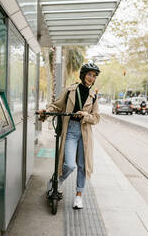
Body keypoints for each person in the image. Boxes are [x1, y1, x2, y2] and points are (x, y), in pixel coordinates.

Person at [38, 63, 101, 209]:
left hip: (85, 133)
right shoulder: (70, 90)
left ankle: (79, 196)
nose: (91, 78)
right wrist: (45, 111)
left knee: (82, 166)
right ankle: (57, 180)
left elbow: (96, 118)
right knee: (69, 165)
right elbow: (57, 106)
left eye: (94, 75)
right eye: (89, 74)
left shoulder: (94, 96)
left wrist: (86, 115)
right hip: (70, 130)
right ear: (83, 74)